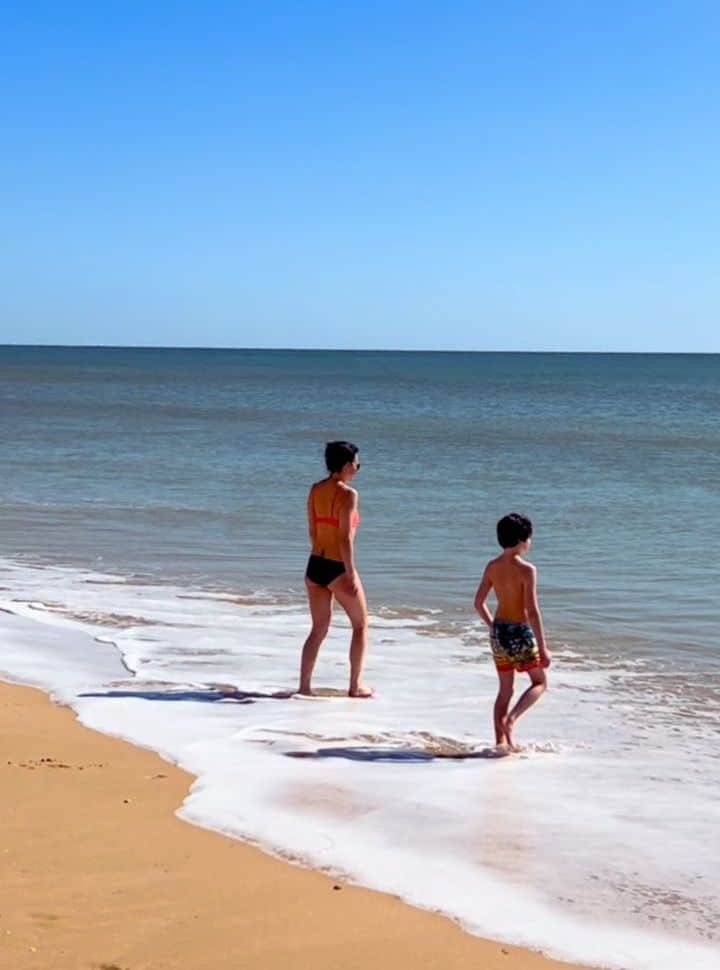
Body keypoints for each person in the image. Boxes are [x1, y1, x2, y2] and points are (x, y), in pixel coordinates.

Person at [298, 441, 372, 698]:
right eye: (356, 464)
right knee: (361, 625)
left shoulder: (315, 489)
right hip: (337, 566)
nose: (358, 468)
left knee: (318, 629)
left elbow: (312, 530)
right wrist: (350, 574)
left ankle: (304, 687)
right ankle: (355, 686)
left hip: (315, 564)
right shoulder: (349, 495)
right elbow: (345, 538)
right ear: (345, 465)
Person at [474, 513, 551, 751]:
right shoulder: (527, 569)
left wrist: (493, 627)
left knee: (505, 689)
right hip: (519, 632)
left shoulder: (492, 566)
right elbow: (532, 611)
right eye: (529, 538)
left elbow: (479, 603)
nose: (530, 543)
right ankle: (512, 719)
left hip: (499, 632)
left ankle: (500, 743)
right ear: (522, 540)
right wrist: (543, 647)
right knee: (539, 682)